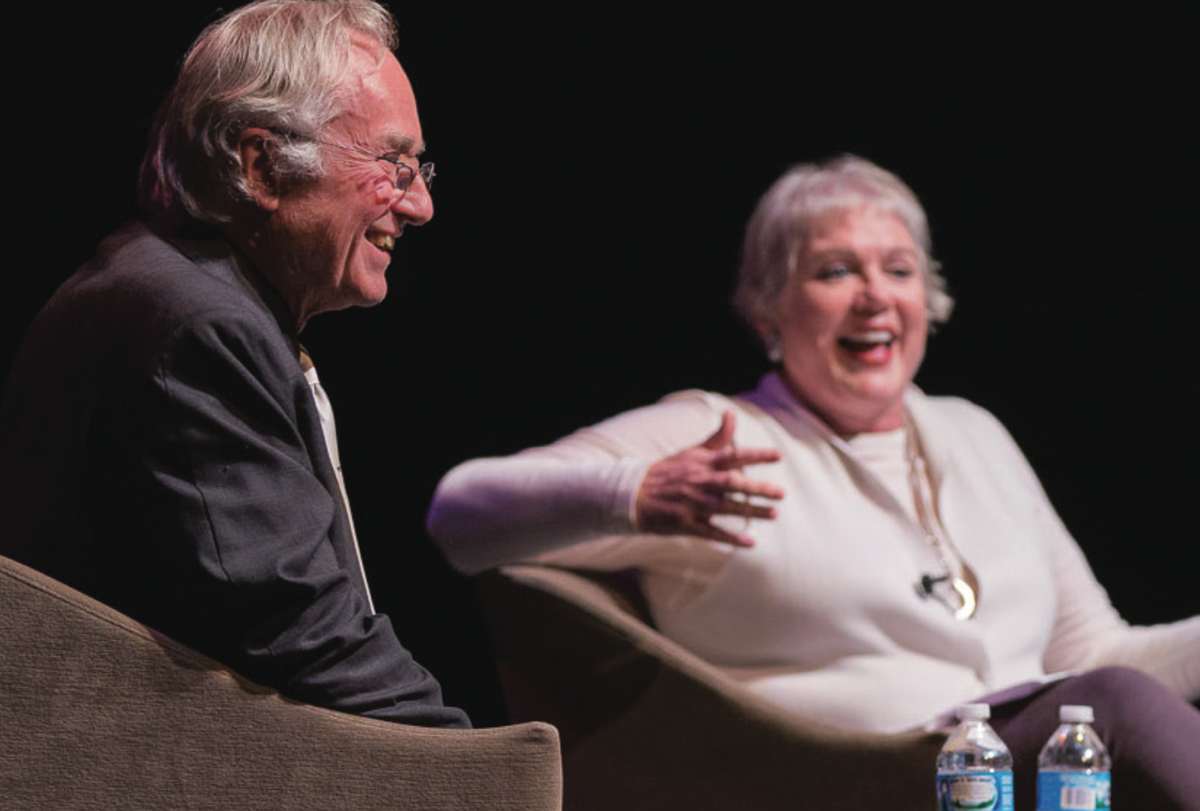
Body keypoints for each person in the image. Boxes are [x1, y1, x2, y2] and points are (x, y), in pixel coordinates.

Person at [427, 156, 1199, 801]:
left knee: (1110, 708)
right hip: (865, 778)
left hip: (1027, 772)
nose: (875, 296)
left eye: (897, 269)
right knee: (1116, 709)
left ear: (926, 300)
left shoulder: (974, 431)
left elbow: (1094, 652)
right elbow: (458, 516)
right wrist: (635, 493)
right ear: (768, 312)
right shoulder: (720, 435)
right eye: (835, 270)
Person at [0, 0, 467, 727]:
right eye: (394, 164)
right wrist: (477, 773)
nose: (421, 204)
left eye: (420, 167)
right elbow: (308, 635)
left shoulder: (183, 292)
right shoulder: (195, 323)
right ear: (263, 166)